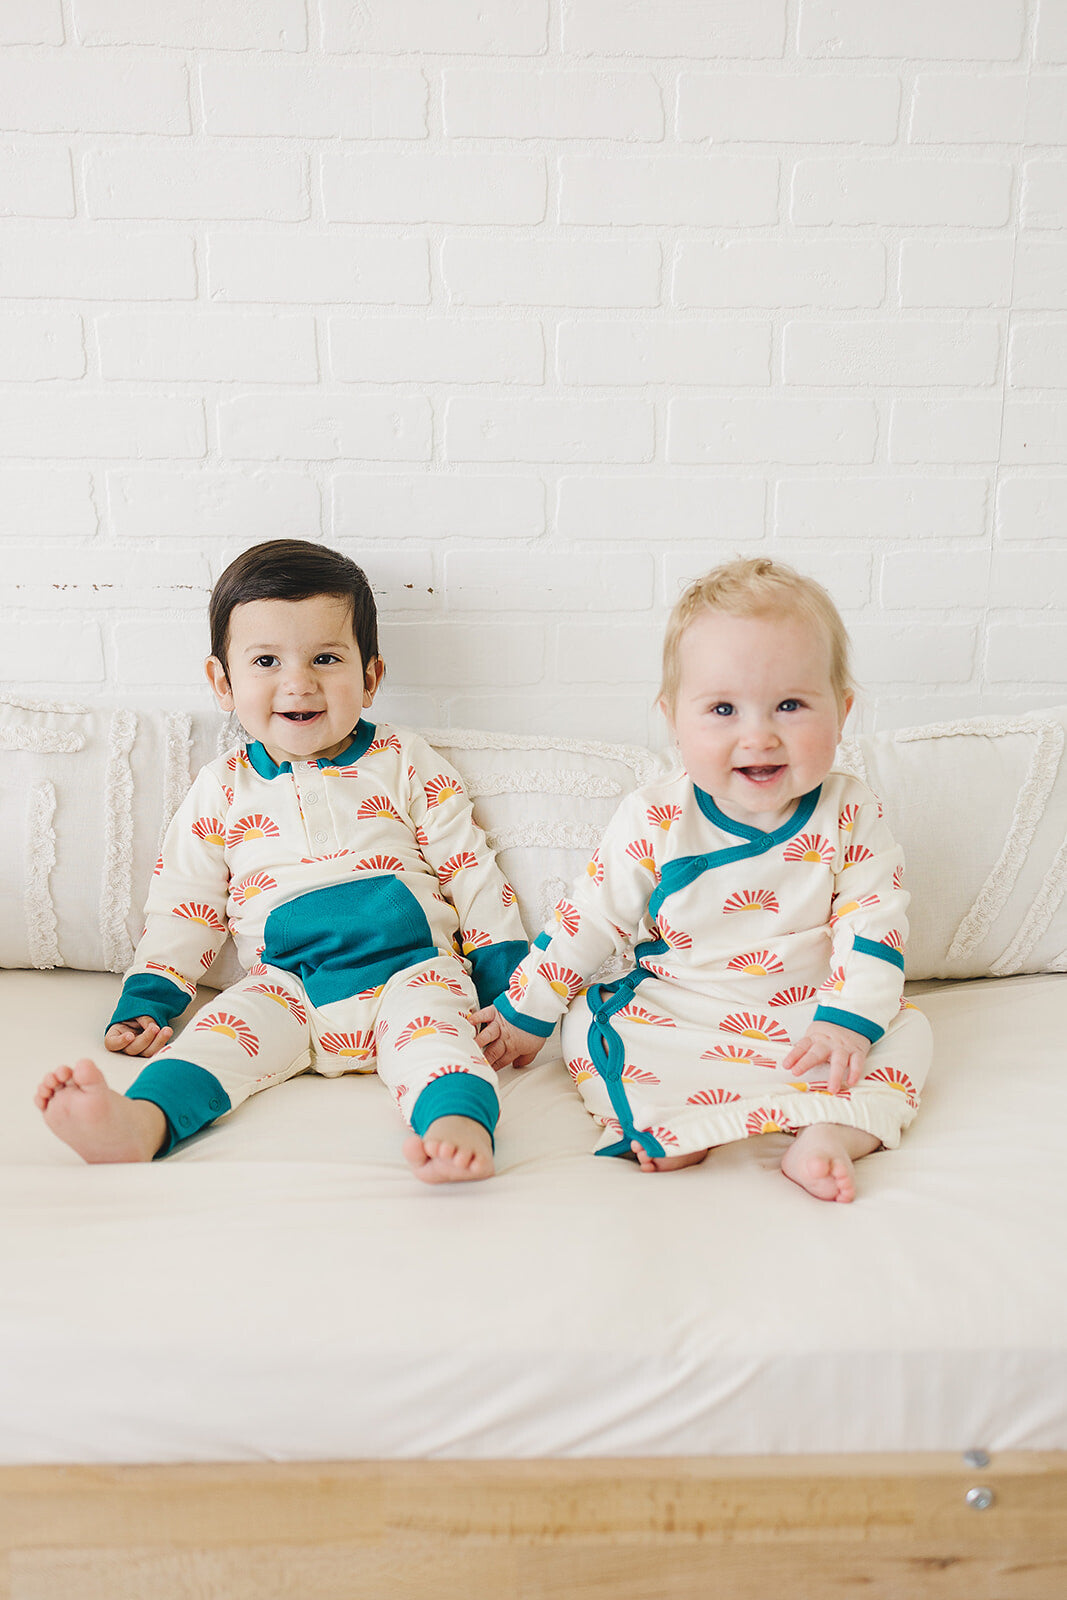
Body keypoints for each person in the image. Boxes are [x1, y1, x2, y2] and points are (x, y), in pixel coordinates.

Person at [35, 539, 527, 1184]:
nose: (298, 683)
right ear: (224, 681)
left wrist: (510, 987)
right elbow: (186, 900)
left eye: (326, 657)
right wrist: (150, 999)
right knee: (217, 1036)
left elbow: (470, 869)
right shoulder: (223, 786)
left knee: (442, 1041)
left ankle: (456, 1127)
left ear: (370, 678)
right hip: (287, 985)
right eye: (266, 660)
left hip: (413, 972)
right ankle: (141, 1122)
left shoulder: (405, 759)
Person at [475, 557, 931, 1203]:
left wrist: (847, 1022)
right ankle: (673, 1128)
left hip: (808, 1014)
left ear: (843, 710)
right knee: (596, 1024)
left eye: (790, 705)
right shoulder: (657, 815)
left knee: (905, 1032)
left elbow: (873, 925)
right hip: (682, 1008)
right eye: (722, 708)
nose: (758, 734)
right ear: (673, 718)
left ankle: (833, 1132)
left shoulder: (849, 811)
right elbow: (592, 917)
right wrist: (528, 1013)